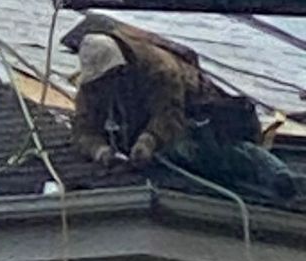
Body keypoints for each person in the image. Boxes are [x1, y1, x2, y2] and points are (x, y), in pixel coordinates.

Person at [66, 15, 299, 205]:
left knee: (203, 153)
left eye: (111, 78)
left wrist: (148, 141)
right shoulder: (93, 87)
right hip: (147, 126)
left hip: (202, 118)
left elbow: (169, 114)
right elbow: (82, 129)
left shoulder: (160, 69)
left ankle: (277, 174)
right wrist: (100, 151)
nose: (107, 86)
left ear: (122, 68)